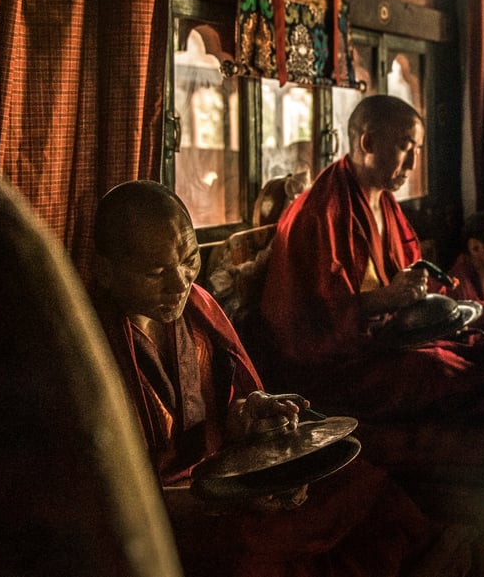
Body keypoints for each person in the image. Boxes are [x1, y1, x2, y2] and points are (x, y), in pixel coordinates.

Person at [90, 180, 438, 577]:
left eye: (189, 259)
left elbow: (222, 407)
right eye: (156, 273)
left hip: (224, 483)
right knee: (253, 554)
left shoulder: (197, 308)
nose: (180, 283)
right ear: (106, 272)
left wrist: (250, 414)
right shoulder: (88, 350)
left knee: (365, 486)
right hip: (163, 516)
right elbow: (103, 501)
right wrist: (227, 499)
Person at [260, 95, 484, 421]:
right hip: (337, 366)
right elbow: (311, 325)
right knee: (437, 367)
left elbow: (411, 279)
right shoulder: (319, 214)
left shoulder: (384, 202)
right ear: (368, 142)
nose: (414, 164)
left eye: (417, 150)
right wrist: (387, 298)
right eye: (406, 147)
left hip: (390, 339)